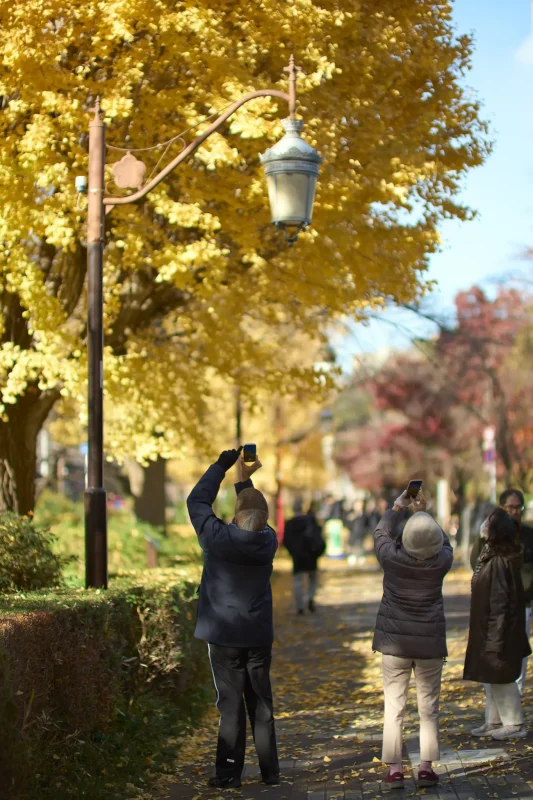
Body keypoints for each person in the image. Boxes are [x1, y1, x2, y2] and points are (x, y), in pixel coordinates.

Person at [187, 447, 280, 789]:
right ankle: (270, 771)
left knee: (230, 706)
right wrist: (244, 483)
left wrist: (222, 467)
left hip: (224, 636)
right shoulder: (268, 541)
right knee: (261, 703)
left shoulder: (217, 540)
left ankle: (228, 774)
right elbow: (253, 517)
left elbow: (196, 502)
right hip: (257, 635)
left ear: (236, 515)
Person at [373, 489, 453, 790]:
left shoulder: (392, 559)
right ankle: (426, 768)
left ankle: (395, 770)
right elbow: (444, 542)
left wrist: (398, 507)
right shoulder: (441, 563)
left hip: (394, 644)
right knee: (428, 706)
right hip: (430, 643)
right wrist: (425, 512)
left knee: (394, 705)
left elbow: (381, 531)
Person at [464, 508, 531, 739]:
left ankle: (514, 723)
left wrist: (496, 638)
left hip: (499, 631)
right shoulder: (490, 555)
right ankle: (493, 721)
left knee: (501, 676)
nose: (483, 524)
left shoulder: (500, 562)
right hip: (488, 628)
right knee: (490, 676)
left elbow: (501, 604)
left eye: (488, 522)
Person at [470, 489, 533, 694]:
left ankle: (517, 697)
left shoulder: (528, 534)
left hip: (522, 602)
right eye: (510, 507)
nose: (515, 511)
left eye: (518, 507)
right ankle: (495, 713)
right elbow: (476, 562)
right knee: (493, 654)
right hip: (493, 600)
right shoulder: (489, 534)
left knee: (516, 653)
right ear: (502, 507)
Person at [283, 499, 326, 614]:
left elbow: (285, 541)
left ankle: (300, 606)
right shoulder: (310, 520)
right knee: (313, 579)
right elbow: (319, 537)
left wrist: (292, 552)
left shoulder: (289, 523)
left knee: (297, 581)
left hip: (297, 557)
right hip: (311, 555)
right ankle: (310, 598)